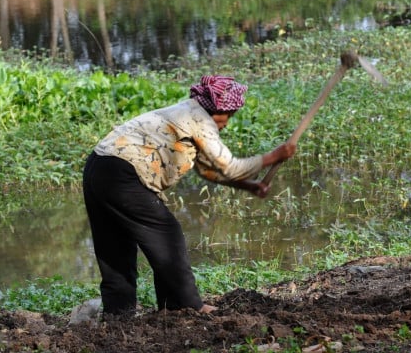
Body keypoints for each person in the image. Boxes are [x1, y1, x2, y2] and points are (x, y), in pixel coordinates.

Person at [82, 75, 296, 316]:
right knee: (167, 235)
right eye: (229, 116)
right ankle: (183, 305)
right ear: (218, 110)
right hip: (123, 173)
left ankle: (118, 313)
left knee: (115, 246)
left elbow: (207, 169)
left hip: (98, 166)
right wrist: (273, 157)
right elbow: (229, 166)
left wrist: (248, 186)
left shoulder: (186, 111)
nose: (226, 124)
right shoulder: (200, 120)